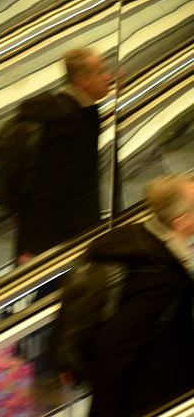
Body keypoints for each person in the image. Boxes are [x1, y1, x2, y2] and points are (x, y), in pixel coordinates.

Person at [85, 174, 194, 416]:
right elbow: (112, 349)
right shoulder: (160, 277)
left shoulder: (134, 237)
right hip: (152, 400)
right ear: (181, 222)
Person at [13, 47, 112, 265]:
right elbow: (48, 189)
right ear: (82, 81)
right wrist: (31, 248)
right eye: (100, 72)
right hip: (54, 244)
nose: (108, 77)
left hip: (73, 231)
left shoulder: (79, 112)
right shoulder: (66, 125)